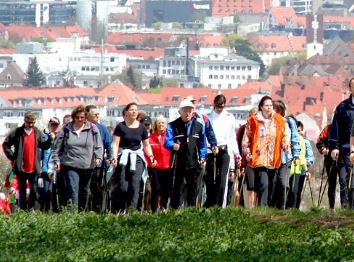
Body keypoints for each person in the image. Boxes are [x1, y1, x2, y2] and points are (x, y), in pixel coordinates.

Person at [51, 105, 103, 211]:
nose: (79, 120)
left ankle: (81, 213)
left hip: (87, 165)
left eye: (82, 117)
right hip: (70, 164)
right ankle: (72, 215)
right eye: (77, 117)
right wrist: (56, 160)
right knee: (73, 190)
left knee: (84, 191)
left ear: (85, 118)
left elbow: (99, 145)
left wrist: (98, 156)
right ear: (74, 117)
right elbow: (57, 147)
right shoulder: (66, 129)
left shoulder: (92, 128)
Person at [242, 96, 288, 207]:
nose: (269, 108)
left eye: (271, 105)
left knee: (272, 184)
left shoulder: (279, 120)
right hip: (259, 158)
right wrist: (247, 152)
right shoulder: (253, 120)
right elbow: (246, 139)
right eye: (266, 105)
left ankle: (267, 207)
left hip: (274, 159)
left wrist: (286, 144)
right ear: (261, 107)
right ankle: (262, 208)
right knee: (264, 183)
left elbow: (284, 135)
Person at [111, 102, 156, 213]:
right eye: (131, 110)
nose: (134, 111)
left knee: (135, 186)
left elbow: (146, 145)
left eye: (136, 110)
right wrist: (114, 157)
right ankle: (121, 210)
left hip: (137, 158)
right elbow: (115, 144)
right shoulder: (120, 126)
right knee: (123, 187)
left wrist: (151, 157)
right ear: (126, 112)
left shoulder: (141, 128)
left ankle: (132, 211)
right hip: (124, 158)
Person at [2, 111, 53, 211]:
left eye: (32, 123)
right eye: (28, 122)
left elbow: (44, 146)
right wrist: (13, 157)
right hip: (21, 167)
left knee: (34, 190)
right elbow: (6, 144)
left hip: (34, 167)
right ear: (24, 121)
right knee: (21, 190)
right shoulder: (17, 132)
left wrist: (50, 140)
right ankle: (21, 210)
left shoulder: (37, 132)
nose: (30, 125)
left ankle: (31, 209)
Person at [165, 99, 207, 208]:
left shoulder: (199, 126)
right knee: (176, 187)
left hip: (193, 162)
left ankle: (191, 212)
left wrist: (203, 157)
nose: (187, 113)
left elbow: (202, 144)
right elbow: (167, 141)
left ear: (193, 112)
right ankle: (173, 210)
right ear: (180, 112)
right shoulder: (172, 125)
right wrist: (172, 145)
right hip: (178, 162)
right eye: (185, 110)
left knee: (192, 188)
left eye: (190, 110)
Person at [205, 94, 240, 208]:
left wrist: (236, 153)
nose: (219, 109)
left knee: (222, 180)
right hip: (211, 151)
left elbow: (231, 137)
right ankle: (210, 204)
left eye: (222, 106)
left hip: (224, 150)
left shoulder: (229, 117)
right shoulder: (208, 117)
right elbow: (205, 136)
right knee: (211, 180)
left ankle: (221, 205)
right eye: (218, 106)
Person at [329, 77, 354, 208]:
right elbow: (335, 128)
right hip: (344, 150)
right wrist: (334, 147)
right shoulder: (342, 107)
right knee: (343, 180)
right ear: (350, 89)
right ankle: (345, 207)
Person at [272, 100, 300, 209]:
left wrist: (296, 155)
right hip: (271, 158)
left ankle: (282, 207)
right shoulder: (270, 122)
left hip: (285, 157)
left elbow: (295, 138)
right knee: (273, 183)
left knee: (283, 183)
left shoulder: (289, 122)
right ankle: (271, 207)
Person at [85, 105, 113, 212]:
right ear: (87, 115)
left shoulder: (102, 129)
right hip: (84, 164)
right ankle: (85, 210)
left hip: (98, 165)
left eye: (98, 114)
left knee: (97, 188)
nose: (97, 116)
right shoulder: (83, 127)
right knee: (86, 189)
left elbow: (108, 143)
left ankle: (98, 210)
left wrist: (110, 157)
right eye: (95, 114)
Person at [147, 116, 172, 212]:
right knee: (156, 188)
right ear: (156, 125)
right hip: (155, 167)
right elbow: (147, 152)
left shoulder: (169, 138)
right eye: (159, 123)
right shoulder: (151, 138)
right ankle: (154, 209)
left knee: (166, 189)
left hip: (167, 167)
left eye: (163, 123)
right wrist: (151, 162)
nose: (161, 125)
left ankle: (163, 207)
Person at [287, 121, 314, 209]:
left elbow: (310, 157)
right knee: (290, 190)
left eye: (299, 131)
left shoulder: (305, 142)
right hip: (290, 169)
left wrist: (306, 164)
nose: (297, 133)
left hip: (301, 170)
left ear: (302, 131)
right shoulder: (290, 141)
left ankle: (295, 209)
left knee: (297, 191)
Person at [39, 117, 61, 211]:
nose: (54, 126)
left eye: (56, 124)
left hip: (58, 169)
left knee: (57, 192)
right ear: (49, 125)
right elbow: (40, 153)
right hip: (45, 169)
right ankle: (46, 211)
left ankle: (57, 211)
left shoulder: (62, 137)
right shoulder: (44, 137)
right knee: (46, 192)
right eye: (52, 124)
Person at [317, 124, 339, 210]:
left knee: (344, 182)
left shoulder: (347, 126)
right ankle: (331, 208)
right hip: (330, 159)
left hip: (344, 159)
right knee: (331, 184)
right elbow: (319, 141)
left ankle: (347, 207)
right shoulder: (328, 128)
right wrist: (323, 149)